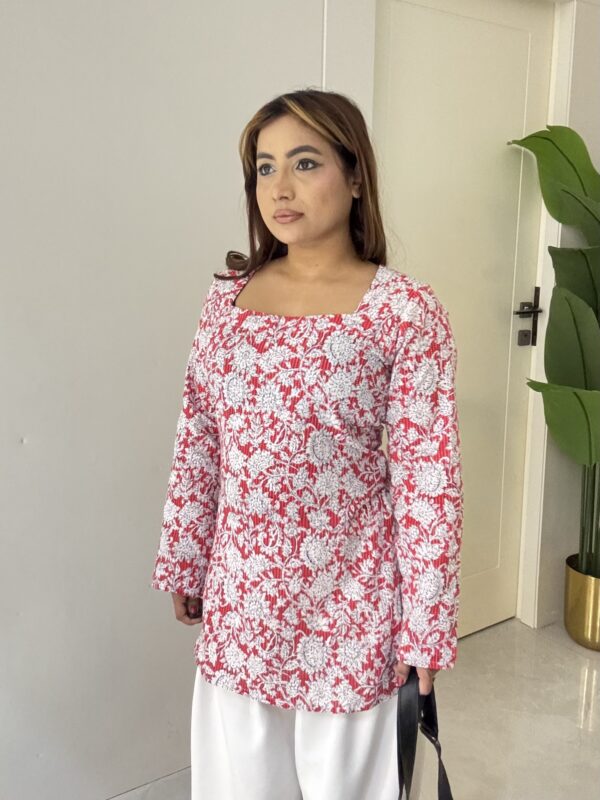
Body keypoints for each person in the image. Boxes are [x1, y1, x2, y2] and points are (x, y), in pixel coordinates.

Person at [150, 88, 464, 800]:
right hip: (242, 601)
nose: (280, 187)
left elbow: (429, 480)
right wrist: (186, 555)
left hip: (352, 606)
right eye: (265, 168)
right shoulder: (229, 299)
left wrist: (426, 625)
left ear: (355, 177)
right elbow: (199, 435)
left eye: (305, 162)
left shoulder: (404, 312)